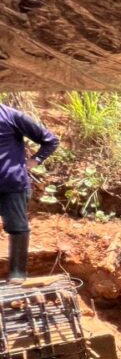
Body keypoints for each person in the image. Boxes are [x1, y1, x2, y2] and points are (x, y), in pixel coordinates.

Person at [0, 103, 60, 283]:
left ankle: (17, 274)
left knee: (17, 227)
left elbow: (50, 140)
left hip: (13, 185)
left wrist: (34, 161)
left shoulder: (11, 116)